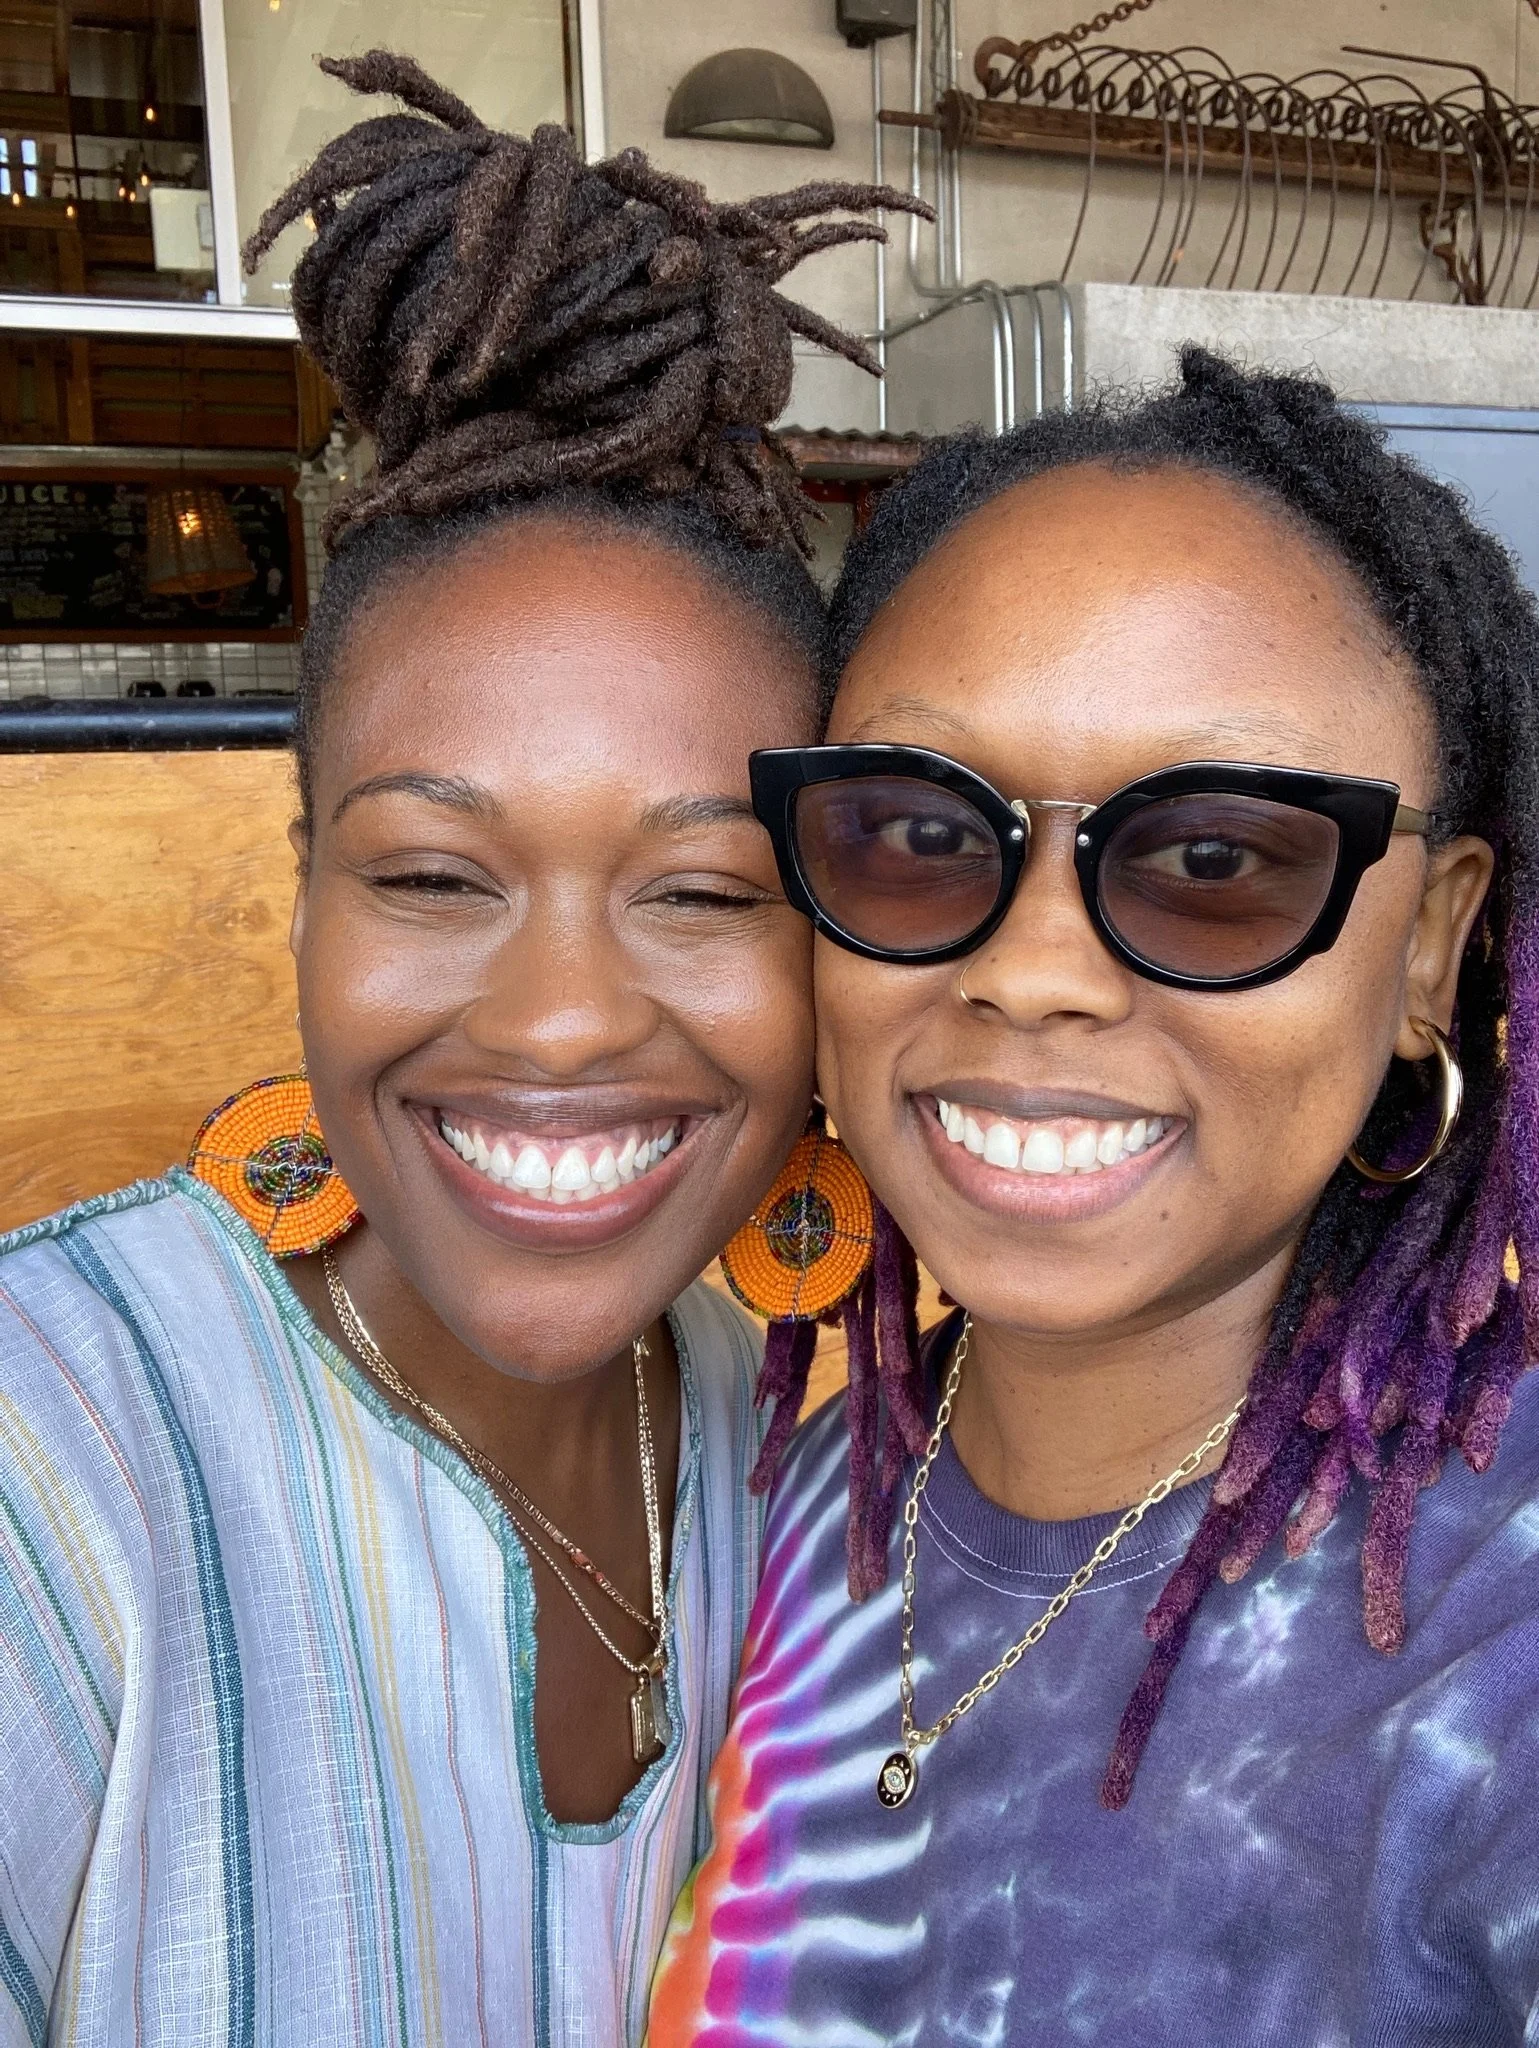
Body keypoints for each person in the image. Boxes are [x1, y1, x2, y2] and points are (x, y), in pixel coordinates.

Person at [0, 54, 919, 2048]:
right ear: (305, 889)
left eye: (700, 889)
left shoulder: (785, 1446)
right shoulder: (49, 1458)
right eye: (433, 873)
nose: (565, 1018)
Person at [649, 350, 1539, 2044]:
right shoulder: (758, 1515)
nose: (1033, 968)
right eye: (916, 833)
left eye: (1216, 859)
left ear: (1427, 943)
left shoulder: (1496, 1658)